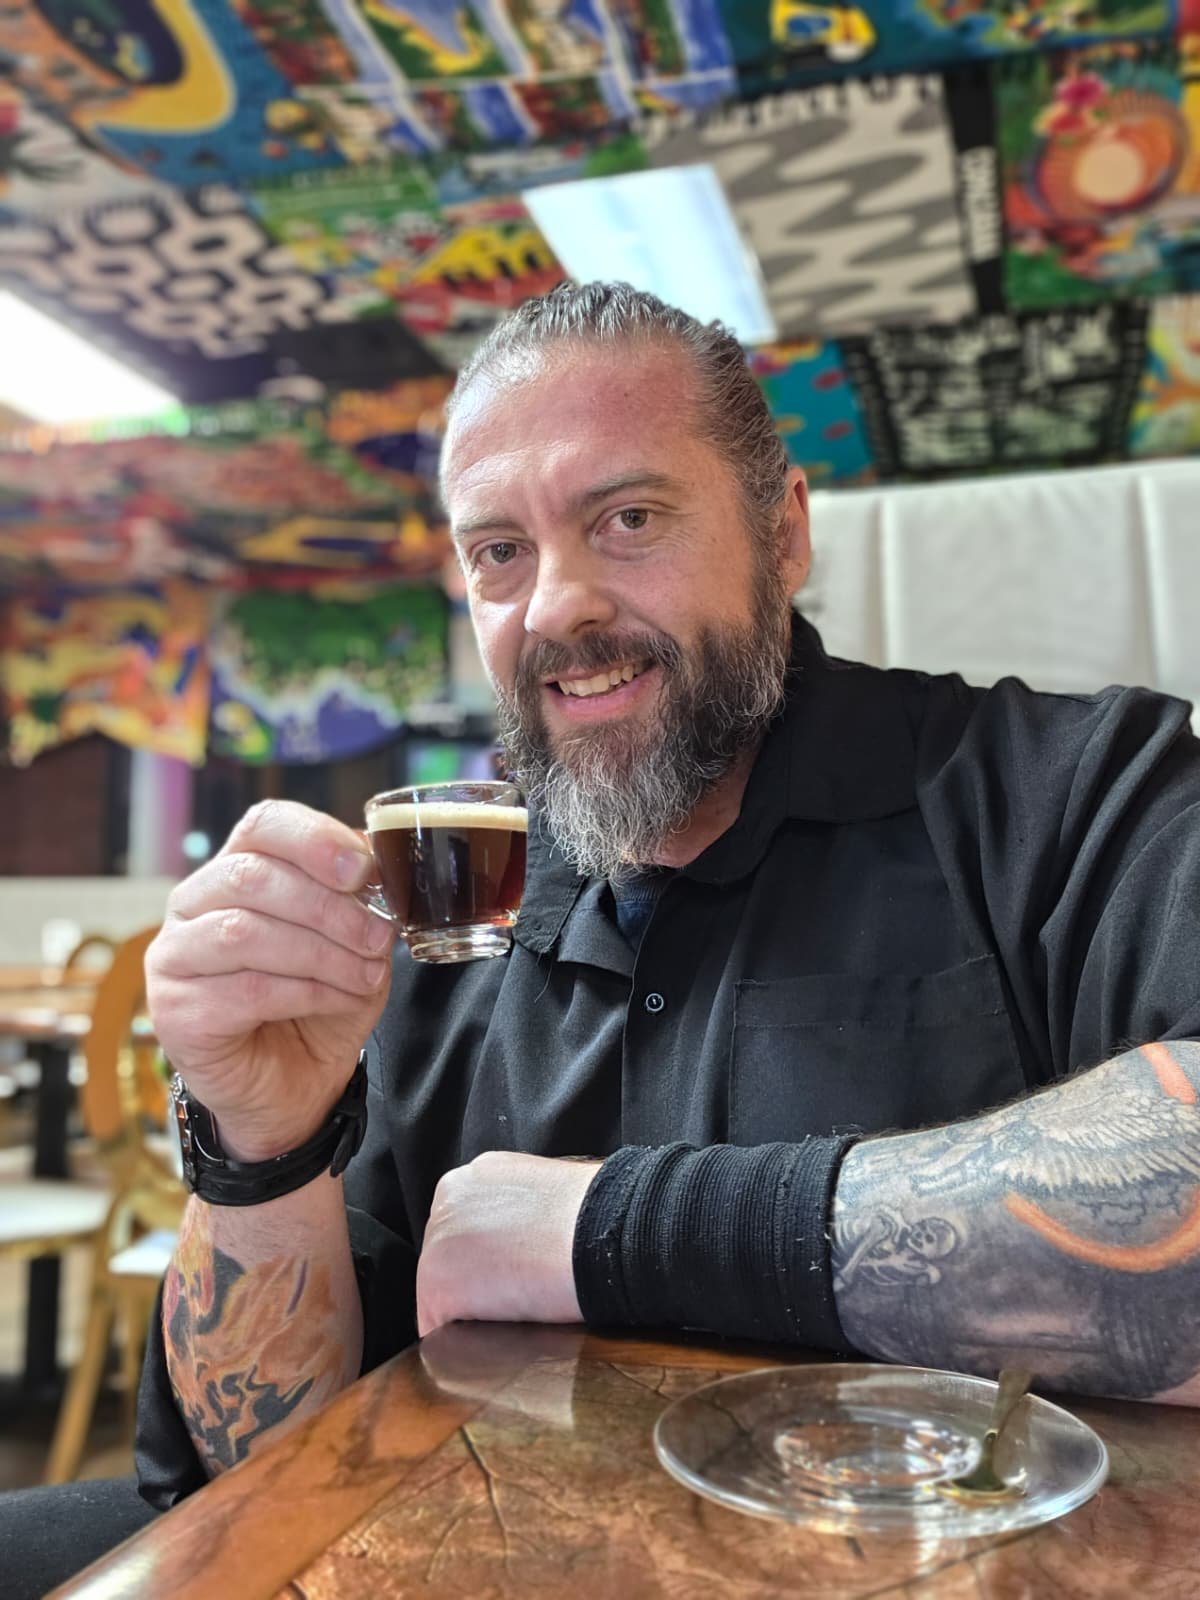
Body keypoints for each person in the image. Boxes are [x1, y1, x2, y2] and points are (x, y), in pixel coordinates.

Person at [6, 280, 1200, 1593]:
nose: (556, 606)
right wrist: (262, 1148)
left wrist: (602, 1232)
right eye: (498, 552)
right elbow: (263, 1469)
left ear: (783, 533)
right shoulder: (431, 917)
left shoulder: (1077, 793)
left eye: (628, 519)